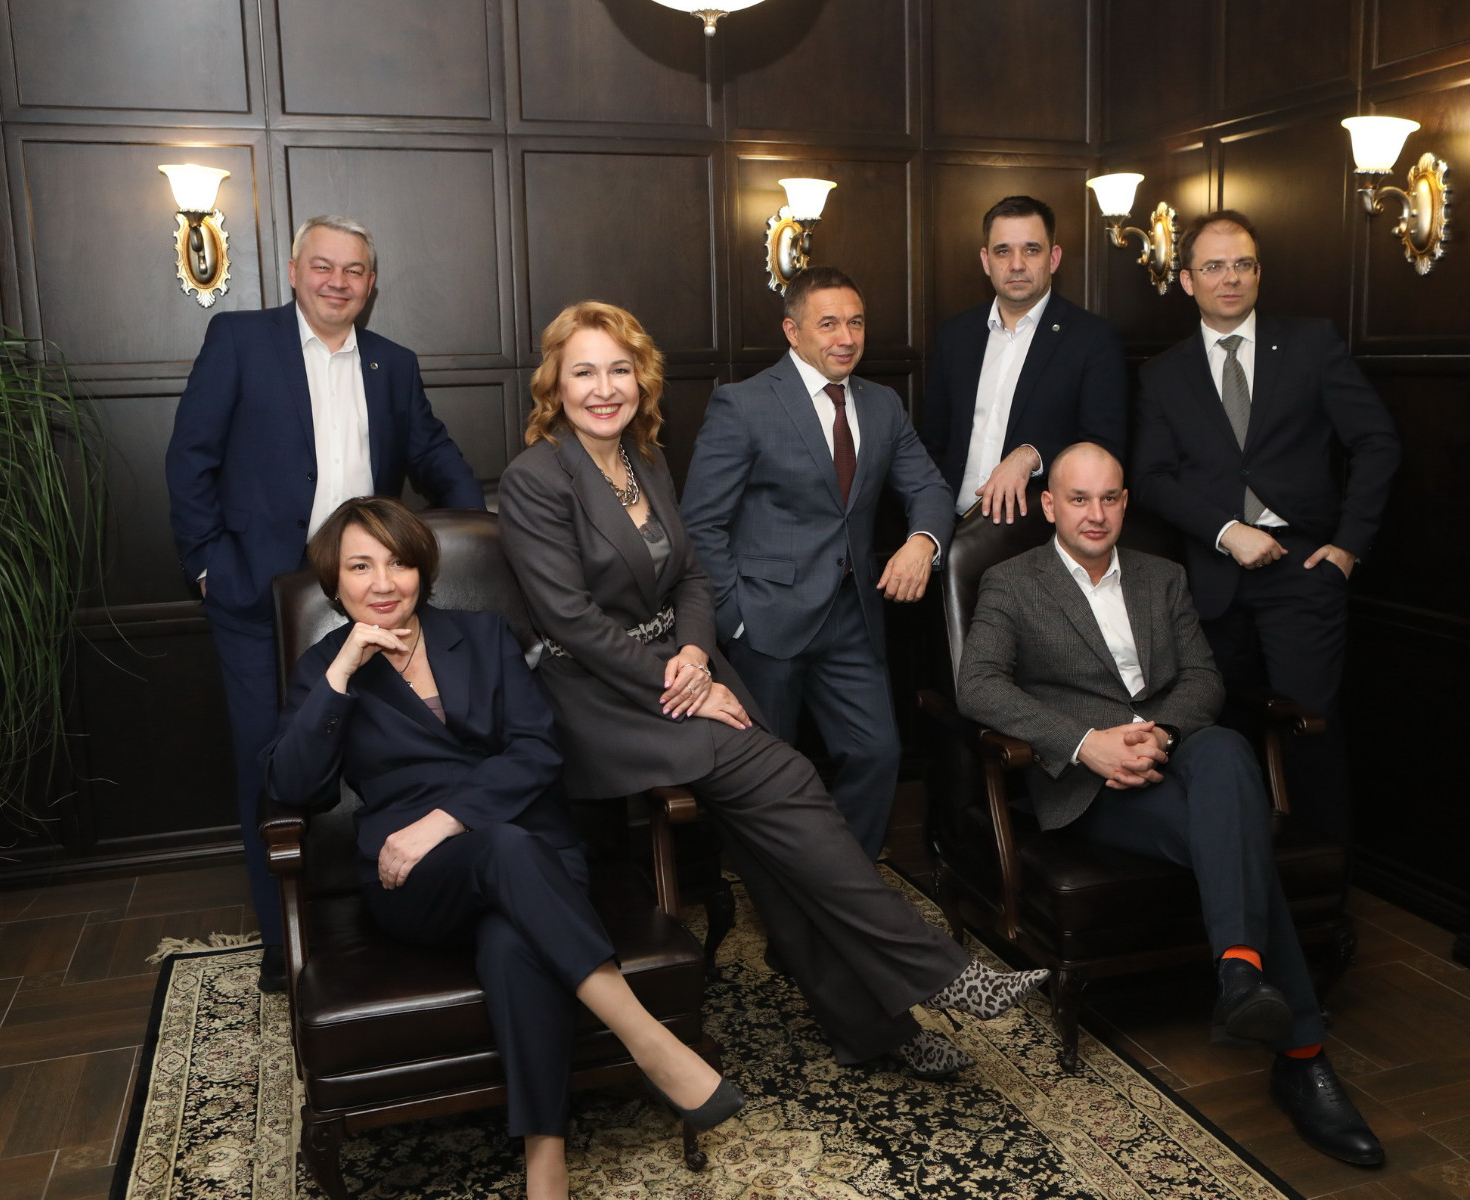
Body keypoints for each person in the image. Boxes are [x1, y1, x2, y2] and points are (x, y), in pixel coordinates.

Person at [497, 300, 1044, 1082]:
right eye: (584, 372)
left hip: (680, 670)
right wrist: (682, 681)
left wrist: (695, 652)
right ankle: (939, 971)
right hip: (596, 698)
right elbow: (569, 620)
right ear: (555, 383)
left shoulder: (645, 459)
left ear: (641, 378)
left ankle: (874, 1028)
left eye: (619, 369)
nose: (605, 388)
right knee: (788, 779)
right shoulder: (535, 477)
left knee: (777, 848)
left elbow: (691, 575)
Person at [261, 496, 741, 1200]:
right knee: (504, 851)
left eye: (398, 563)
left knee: (513, 935)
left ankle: (545, 1162)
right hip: (418, 879)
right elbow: (294, 785)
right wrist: (341, 675)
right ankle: (649, 1040)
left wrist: (445, 818)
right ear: (335, 583)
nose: (383, 582)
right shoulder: (322, 671)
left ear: (422, 571)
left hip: (529, 852)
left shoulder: (482, 635)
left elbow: (537, 749)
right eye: (360, 567)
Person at [957, 442, 1384, 1168]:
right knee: (1237, 832)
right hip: (1094, 783)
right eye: (1079, 499)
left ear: (1126, 503)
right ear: (1050, 505)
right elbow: (979, 686)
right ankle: (1301, 1055)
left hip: (1174, 752)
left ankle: (1239, 976)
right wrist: (1087, 744)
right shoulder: (1011, 581)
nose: (1096, 514)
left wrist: (1160, 732)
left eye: (1110, 498)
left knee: (1224, 748)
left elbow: (1203, 679)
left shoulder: (1163, 576)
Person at [166, 216, 483, 989]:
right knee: (269, 767)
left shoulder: (392, 364)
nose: (338, 282)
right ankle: (286, 946)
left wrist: (484, 540)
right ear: (294, 270)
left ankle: (383, 907)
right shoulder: (240, 341)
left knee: (380, 751)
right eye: (323, 266)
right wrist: (209, 569)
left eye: (354, 270)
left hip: (370, 600)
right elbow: (190, 457)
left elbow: (433, 453)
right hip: (257, 598)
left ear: (371, 284)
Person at [1132, 210, 1400, 847]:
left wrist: (1348, 547)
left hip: (1304, 574)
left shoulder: (1311, 345)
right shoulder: (1162, 373)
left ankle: (1321, 886)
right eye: (1214, 266)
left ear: (1258, 273)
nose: (1230, 278)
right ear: (1186, 281)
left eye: (1243, 265)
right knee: (1220, 736)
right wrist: (1226, 530)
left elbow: (1377, 442)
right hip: (1209, 586)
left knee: (1310, 732)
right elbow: (1151, 478)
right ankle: (1238, 873)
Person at [681, 267, 954, 860]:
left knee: (877, 753)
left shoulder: (882, 405)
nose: (846, 338)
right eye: (828, 324)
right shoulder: (744, 404)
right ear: (792, 331)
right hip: (765, 623)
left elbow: (929, 488)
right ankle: (778, 888)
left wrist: (923, 541)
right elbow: (700, 523)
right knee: (767, 773)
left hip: (854, 617)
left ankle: (843, 882)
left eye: (856, 323)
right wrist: (735, 620)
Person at [922, 194, 1128, 524]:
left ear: (1053, 258)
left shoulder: (1093, 339)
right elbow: (931, 442)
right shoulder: (956, 335)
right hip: (950, 525)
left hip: (1032, 533)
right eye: (1003, 251)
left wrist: (1031, 455)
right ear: (986, 261)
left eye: (1031, 250)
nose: (1016, 264)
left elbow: (1104, 446)